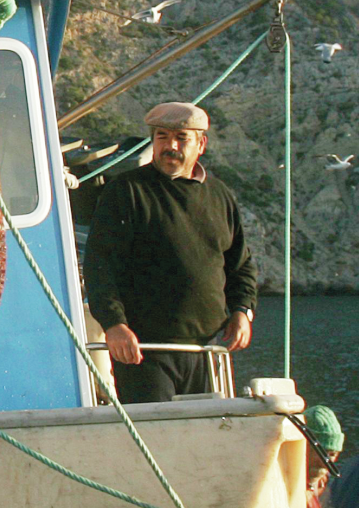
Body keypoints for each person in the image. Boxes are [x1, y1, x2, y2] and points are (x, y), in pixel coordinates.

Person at [83, 101, 257, 403]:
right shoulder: (126, 192)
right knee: (155, 442)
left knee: (205, 444)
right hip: (143, 353)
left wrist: (242, 311)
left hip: (206, 351)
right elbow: (100, 265)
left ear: (201, 144)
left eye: (181, 138)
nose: (170, 146)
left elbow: (240, 265)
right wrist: (114, 324)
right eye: (162, 137)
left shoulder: (220, 196)